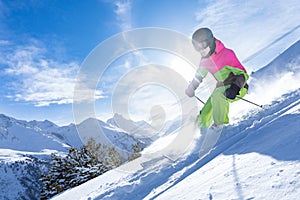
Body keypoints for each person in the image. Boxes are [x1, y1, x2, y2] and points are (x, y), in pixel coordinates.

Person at [185, 27, 249, 155]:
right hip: (221, 89)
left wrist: (235, 88)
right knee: (205, 113)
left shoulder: (227, 54)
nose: (201, 50)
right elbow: (199, 76)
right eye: (197, 48)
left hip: (238, 87)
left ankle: (220, 127)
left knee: (218, 95)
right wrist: (192, 87)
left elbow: (243, 74)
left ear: (210, 41)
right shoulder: (205, 60)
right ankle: (201, 135)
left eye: (203, 45)